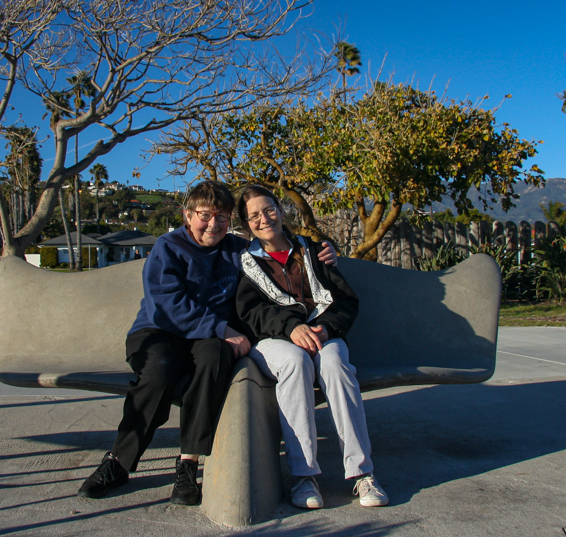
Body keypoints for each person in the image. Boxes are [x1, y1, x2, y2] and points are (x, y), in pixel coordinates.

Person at [77, 181, 337, 506]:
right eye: (205, 215)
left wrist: (319, 251)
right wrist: (219, 327)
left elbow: (276, 252)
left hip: (213, 337)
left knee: (215, 359)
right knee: (159, 371)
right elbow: (166, 304)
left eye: (222, 217)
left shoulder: (237, 250)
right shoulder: (168, 247)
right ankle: (119, 461)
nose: (213, 224)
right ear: (187, 215)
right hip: (161, 331)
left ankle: (188, 465)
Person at [234, 184, 389, 509]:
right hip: (275, 342)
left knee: (335, 363)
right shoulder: (247, 263)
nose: (264, 219)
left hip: (323, 332)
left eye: (269, 209)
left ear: (280, 207)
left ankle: (363, 474)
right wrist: (292, 328)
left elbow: (345, 301)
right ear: (246, 224)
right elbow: (251, 313)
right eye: (254, 216)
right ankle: (304, 477)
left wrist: (326, 327)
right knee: (294, 362)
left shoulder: (314, 251)